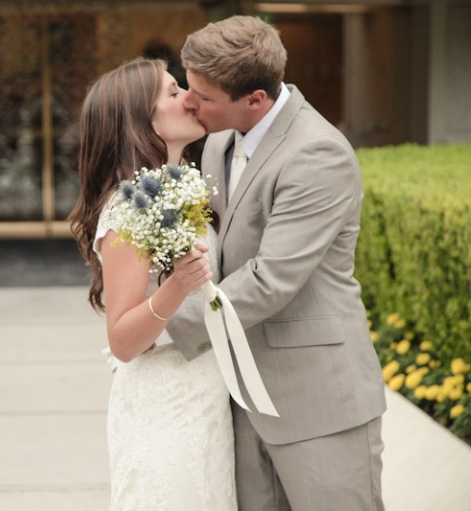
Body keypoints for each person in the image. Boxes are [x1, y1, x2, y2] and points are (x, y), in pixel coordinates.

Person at [177, 15, 387, 511]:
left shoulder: (317, 153)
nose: (190, 103)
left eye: (203, 97)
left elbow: (271, 279)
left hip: (318, 401)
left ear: (255, 99)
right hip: (240, 398)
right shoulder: (217, 142)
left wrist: (163, 328)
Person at [69, 58, 237, 510]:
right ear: (140, 121)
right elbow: (123, 340)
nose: (189, 98)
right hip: (165, 409)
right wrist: (178, 284)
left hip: (206, 401)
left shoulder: (182, 186)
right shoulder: (128, 210)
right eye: (172, 92)